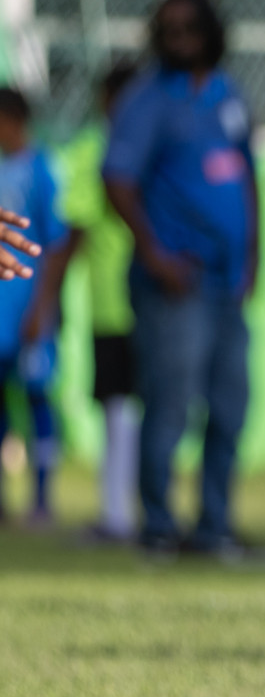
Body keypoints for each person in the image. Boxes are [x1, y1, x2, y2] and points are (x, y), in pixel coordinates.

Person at [103, 0, 261, 561]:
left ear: (212, 31)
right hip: (176, 283)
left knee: (230, 404)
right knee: (170, 405)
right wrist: (155, 254)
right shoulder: (146, 99)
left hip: (227, 283)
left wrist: (254, 257)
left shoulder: (228, 94)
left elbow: (246, 177)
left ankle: (214, 527)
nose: (180, 38)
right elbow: (117, 180)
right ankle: (159, 527)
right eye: (168, 29)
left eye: (191, 27)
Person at [58, 61, 140, 542]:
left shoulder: (95, 152)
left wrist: (48, 298)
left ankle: (123, 514)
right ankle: (124, 512)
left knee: (123, 409)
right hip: (125, 301)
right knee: (125, 409)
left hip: (124, 303)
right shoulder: (101, 151)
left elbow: (73, 234)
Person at [0, 87, 68, 526]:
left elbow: (56, 245)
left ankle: (42, 499)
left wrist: (42, 309)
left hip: (28, 315)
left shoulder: (43, 169)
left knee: (39, 400)